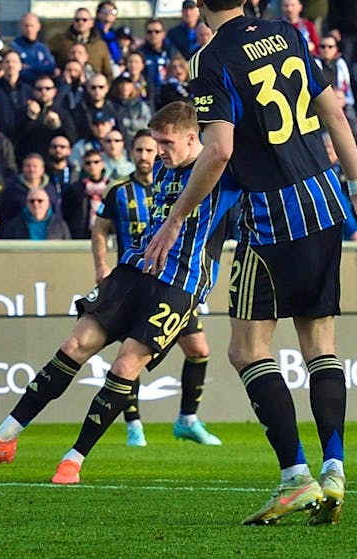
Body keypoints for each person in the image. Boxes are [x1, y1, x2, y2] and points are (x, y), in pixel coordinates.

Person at [142, 0, 357, 526]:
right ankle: (334, 470)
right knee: (319, 344)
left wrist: (173, 221)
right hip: (326, 204)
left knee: (245, 350)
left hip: (272, 214)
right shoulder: (289, 32)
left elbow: (217, 152)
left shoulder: (209, 60)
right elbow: (334, 114)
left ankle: (295, 478)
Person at [0, 102, 239, 488]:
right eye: (155, 141)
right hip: (132, 270)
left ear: (193, 138)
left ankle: (74, 459)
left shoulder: (222, 171)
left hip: (180, 284)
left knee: (126, 366)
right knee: (75, 344)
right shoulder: (161, 169)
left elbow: (228, 151)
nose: (158, 150)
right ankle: (1, 439)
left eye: (166, 142)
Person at [93, 129, 221, 447]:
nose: (146, 155)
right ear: (131, 153)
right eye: (139, 150)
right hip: (136, 282)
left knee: (198, 349)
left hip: (175, 283)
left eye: (152, 149)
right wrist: (101, 265)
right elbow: (100, 228)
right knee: (130, 355)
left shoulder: (182, 183)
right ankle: (134, 424)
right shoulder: (119, 190)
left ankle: (187, 419)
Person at [0, 186, 71, 240]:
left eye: (40, 201)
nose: (35, 204)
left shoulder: (60, 225)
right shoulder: (14, 225)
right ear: (27, 203)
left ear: (48, 203)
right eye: (31, 201)